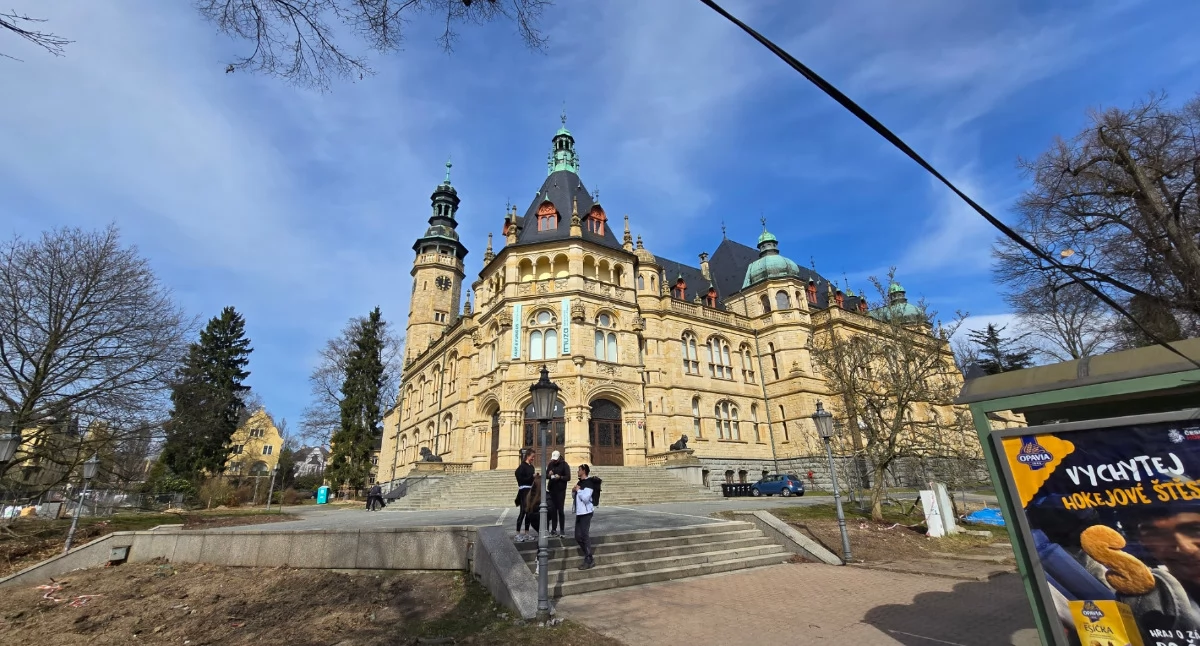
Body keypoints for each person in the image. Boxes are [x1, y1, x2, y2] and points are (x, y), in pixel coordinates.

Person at [573, 464, 596, 570]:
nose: (578, 471)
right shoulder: (580, 482)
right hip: (579, 512)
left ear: (584, 471)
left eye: (579, 470)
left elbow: (586, 498)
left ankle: (588, 559)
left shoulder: (589, 483)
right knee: (577, 536)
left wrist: (578, 490)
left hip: (586, 513)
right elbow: (576, 496)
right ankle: (589, 556)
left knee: (584, 535)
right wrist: (574, 491)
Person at [546, 450, 571, 537]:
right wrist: (549, 475)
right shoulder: (550, 464)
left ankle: (562, 530)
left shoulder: (564, 464)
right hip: (552, 490)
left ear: (559, 458)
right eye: (553, 459)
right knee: (553, 511)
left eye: (555, 460)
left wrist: (560, 477)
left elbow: (568, 477)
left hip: (560, 490)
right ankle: (553, 529)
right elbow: (546, 475)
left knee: (560, 510)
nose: (554, 461)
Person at [514, 449, 536, 542]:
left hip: (530, 490)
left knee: (529, 513)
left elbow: (531, 480)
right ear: (527, 456)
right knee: (523, 511)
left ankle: (527, 533)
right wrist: (531, 477)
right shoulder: (522, 466)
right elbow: (519, 477)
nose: (533, 458)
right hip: (523, 491)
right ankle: (517, 534)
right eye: (532, 456)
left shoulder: (532, 467)